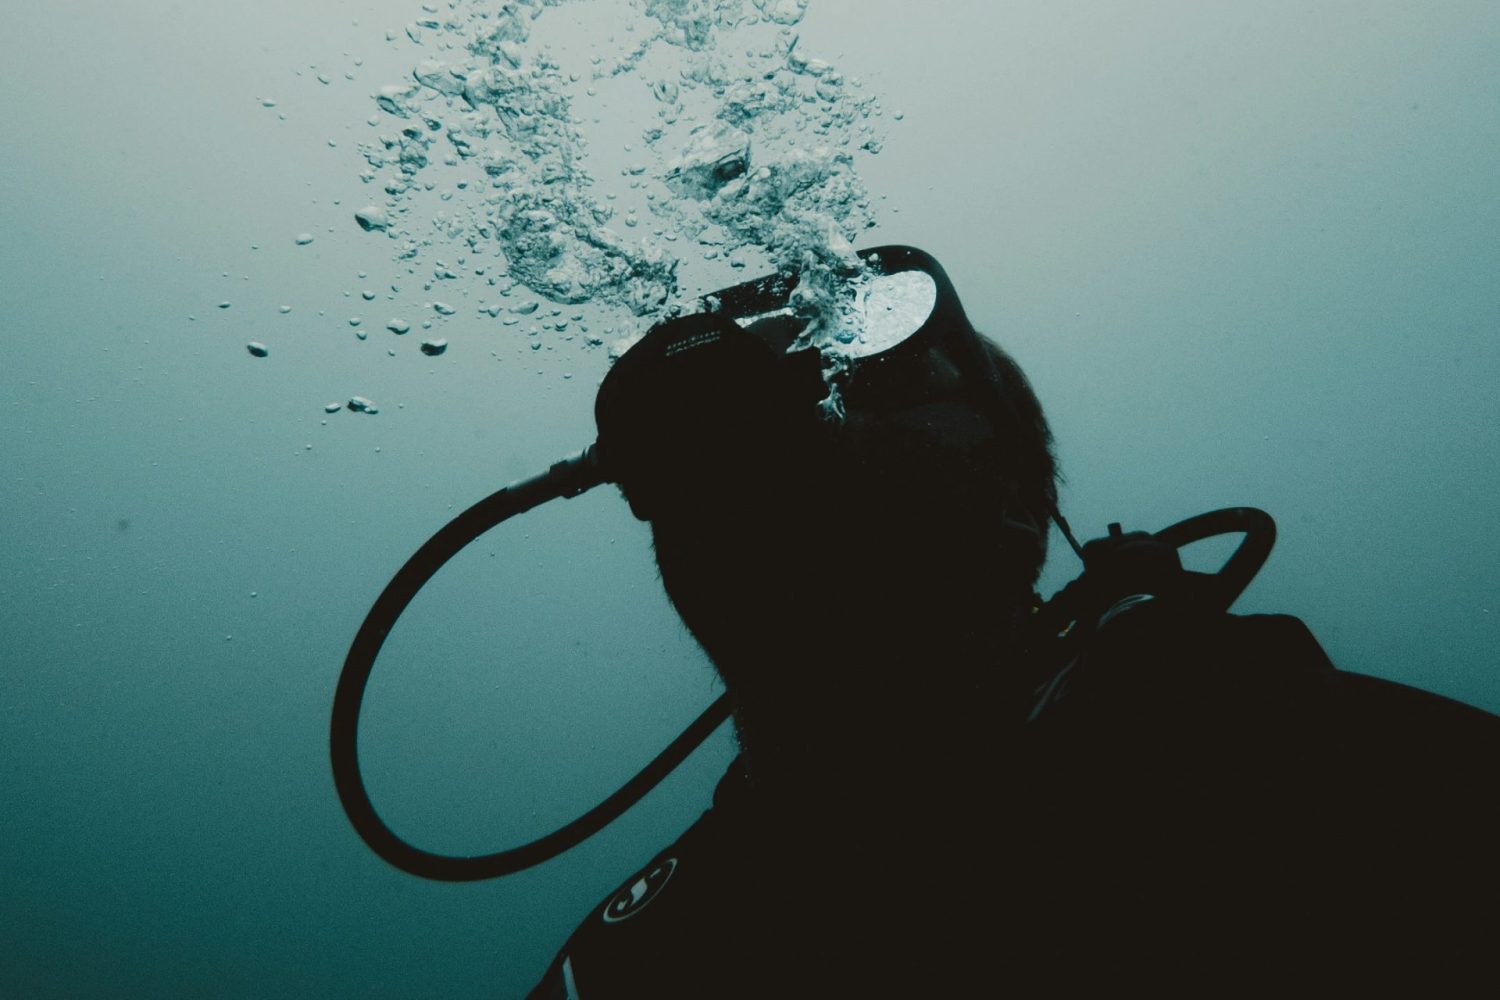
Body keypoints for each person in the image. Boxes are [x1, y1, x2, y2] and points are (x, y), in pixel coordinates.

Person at [528, 248, 1500, 997]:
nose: (803, 438)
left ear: (1016, 499)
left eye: (883, 389)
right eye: (712, 461)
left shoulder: (1254, 753)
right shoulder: (644, 954)